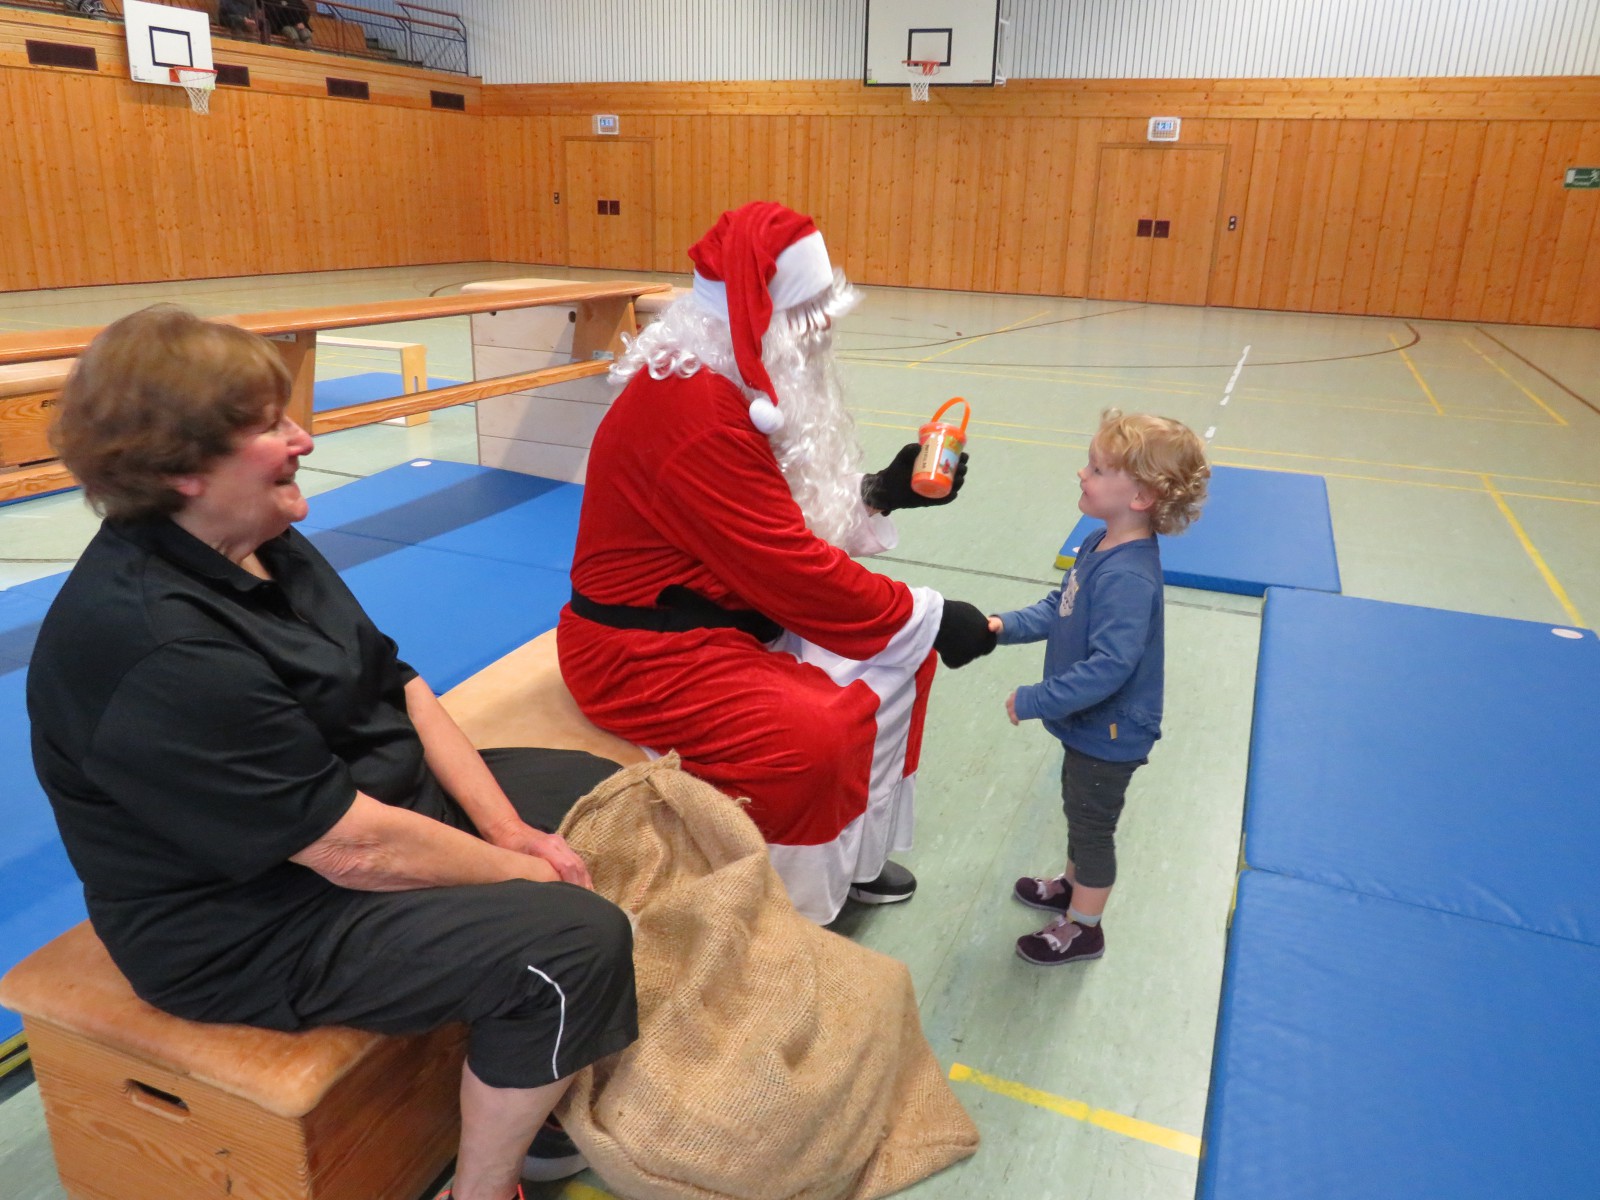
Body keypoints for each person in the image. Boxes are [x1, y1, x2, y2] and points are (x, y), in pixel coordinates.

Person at [26, 307, 637, 1200]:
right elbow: (353, 852)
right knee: (574, 940)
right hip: (254, 924)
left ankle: (525, 1062)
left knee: (600, 794)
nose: (303, 439)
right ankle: (482, 1186)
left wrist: (508, 830)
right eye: (269, 427)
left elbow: (400, 683)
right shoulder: (157, 644)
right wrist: (530, 877)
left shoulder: (261, 539)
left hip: (358, 819)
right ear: (181, 471)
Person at [557, 201, 997, 925]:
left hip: (726, 610)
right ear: (759, 313)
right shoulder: (693, 409)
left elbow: (771, 514)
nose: (823, 329)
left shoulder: (732, 377)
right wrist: (932, 614)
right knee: (814, 736)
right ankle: (788, 912)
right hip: (643, 650)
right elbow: (787, 566)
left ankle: (848, 861)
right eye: (808, 313)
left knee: (897, 662)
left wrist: (879, 492)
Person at [990, 410, 1209, 966]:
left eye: (1097, 468)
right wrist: (1003, 626)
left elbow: (1109, 668)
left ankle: (1084, 928)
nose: (1081, 474)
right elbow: (1060, 606)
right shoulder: (1099, 542)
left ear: (1140, 496)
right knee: (1079, 810)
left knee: (1092, 828)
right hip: (1088, 725)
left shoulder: (1128, 577)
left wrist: (1035, 699)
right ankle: (1071, 887)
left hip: (1112, 733)